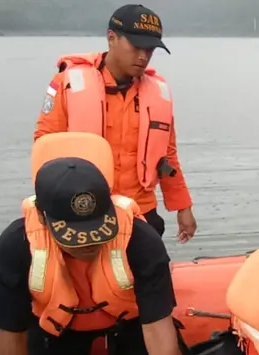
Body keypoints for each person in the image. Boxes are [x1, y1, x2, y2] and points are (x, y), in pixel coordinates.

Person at [0, 132, 199, 355]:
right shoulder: (16, 245)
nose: (89, 244)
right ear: (44, 218)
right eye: (75, 236)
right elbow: (11, 336)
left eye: (97, 232)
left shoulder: (139, 239)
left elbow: (158, 329)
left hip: (127, 319)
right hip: (54, 326)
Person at [34, 4, 197, 242]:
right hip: (83, 210)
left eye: (150, 49)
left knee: (154, 272)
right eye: (136, 46)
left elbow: (167, 157)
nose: (143, 56)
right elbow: (44, 148)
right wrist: (46, 203)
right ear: (112, 38)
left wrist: (183, 207)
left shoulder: (158, 94)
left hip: (141, 211)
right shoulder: (69, 84)